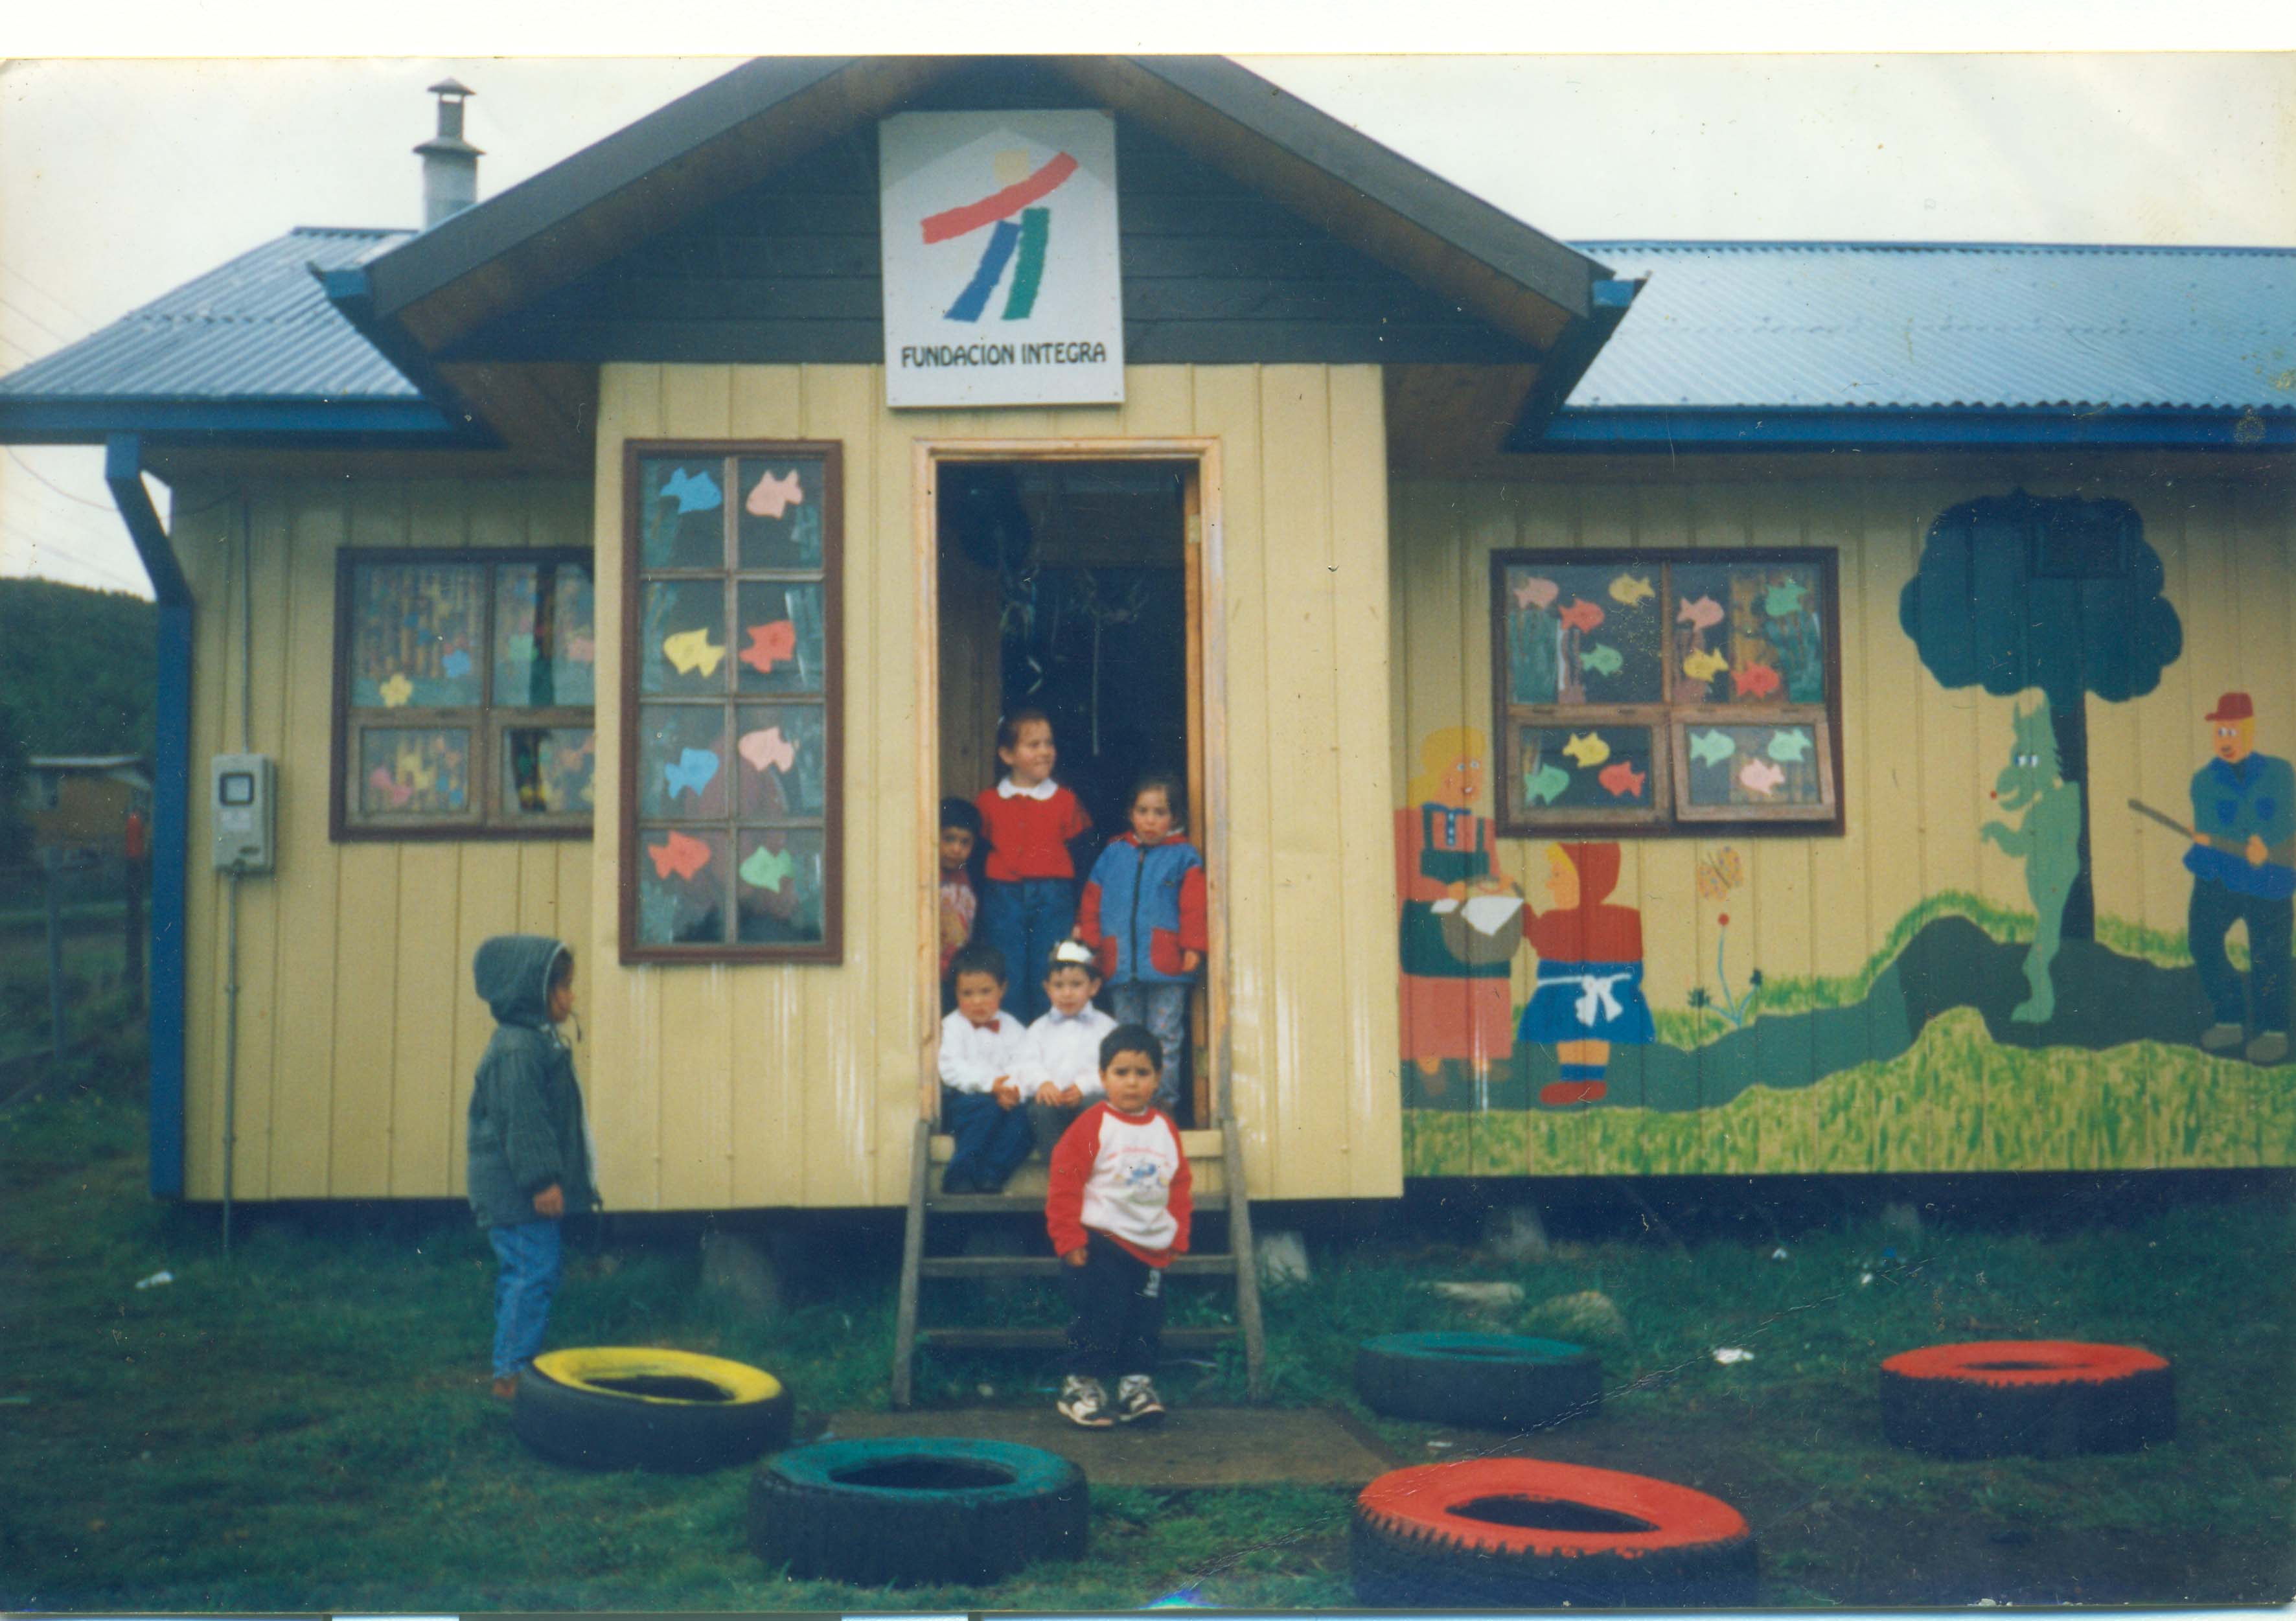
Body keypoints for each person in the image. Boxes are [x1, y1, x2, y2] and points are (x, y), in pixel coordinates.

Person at [466, 935, 597, 1400]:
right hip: (518, 1193)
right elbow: (524, 1122)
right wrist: (543, 1181)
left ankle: (513, 1362)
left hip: (521, 1191)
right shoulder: (518, 1050)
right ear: (531, 992)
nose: (571, 997)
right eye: (562, 987)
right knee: (531, 1273)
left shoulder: (533, 1041)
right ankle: (512, 1376)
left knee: (529, 1272)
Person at [1045, 1024, 1191, 1429]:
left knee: (1145, 1321)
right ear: (1104, 1076)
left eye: (1142, 1073)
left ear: (1158, 1078)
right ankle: (1081, 1385)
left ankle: (1135, 1388)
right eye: (1121, 1072)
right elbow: (1065, 1181)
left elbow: (1178, 1184)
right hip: (1100, 1244)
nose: (1131, 1082)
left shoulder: (1165, 1129)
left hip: (1151, 1248)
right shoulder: (1093, 1124)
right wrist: (1068, 1238)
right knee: (1098, 1317)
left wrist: (1178, 1234)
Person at [1394, 726, 1521, 1104]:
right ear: (1438, 770)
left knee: (1481, 990)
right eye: (1463, 764)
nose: (1474, 776)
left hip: (1473, 925)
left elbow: (1492, 873)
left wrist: (1498, 887)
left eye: (1478, 765)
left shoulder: (1483, 828)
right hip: (1427, 923)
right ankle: (1430, 1067)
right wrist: (1443, 891)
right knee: (1430, 995)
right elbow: (1403, 876)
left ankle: (1477, 1061)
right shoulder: (1410, 821)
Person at [1074, 773, 1205, 1112]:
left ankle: (1163, 1110)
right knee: (1126, 1042)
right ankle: (1127, 1111)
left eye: (1160, 812)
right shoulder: (1114, 853)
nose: (1151, 820)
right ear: (1131, 814)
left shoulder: (1185, 856)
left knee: (1164, 1041)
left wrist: (1193, 946)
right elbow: (1092, 899)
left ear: (1174, 817)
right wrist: (1091, 941)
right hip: (1119, 963)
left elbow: (1194, 906)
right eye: (1143, 811)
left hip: (1167, 966)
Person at [2185, 691, 2294, 1065]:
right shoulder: (2203, 780)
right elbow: (2211, 825)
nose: (2225, 739)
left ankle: (2273, 1031)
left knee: (2270, 956)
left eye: (2232, 730)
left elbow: (2286, 821)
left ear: (2249, 730)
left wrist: (2270, 848)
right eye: (2220, 732)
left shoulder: (2280, 773)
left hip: (2269, 879)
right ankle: (2229, 1018)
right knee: (2202, 941)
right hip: (2218, 875)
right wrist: (2213, 842)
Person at [974, 710, 1093, 1024]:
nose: (1044, 752)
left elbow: (1084, 863)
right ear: (1007, 754)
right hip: (1003, 897)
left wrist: (1081, 914)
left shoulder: (1066, 801)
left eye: (1049, 744)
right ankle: (1015, 1056)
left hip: (1054, 897)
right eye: (1033, 745)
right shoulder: (988, 802)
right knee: (1008, 973)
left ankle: (1049, 1051)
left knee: (1050, 972)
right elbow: (974, 860)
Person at [1518, 842, 1653, 1107]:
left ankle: (1589, 1081)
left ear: (1587, 881)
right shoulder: (1564, 919)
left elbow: (1632, 963)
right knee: (1575, 1037)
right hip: (1569, 991)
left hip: (1589, 993)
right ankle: (1576, 1082)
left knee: (1589, 1036)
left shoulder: (1562, 920)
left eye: (1557, 875)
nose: (1549, 884)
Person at [936, 942, 1034, 1194]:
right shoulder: (952, 1027)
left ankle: (992, 1174)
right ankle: (960, 1175)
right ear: (955, 993)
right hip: (966, 1100)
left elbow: (1025, 1063)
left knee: (1025, 1120)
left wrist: (1012, 1090)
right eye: (967, 994)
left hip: (1006, 1098)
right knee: (984, 1110)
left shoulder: (1013, 1027)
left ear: (1003, 989)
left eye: (985, 991)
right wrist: (992, 1086)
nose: (977, 1001)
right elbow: (951, 1068)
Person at [1018, 939, 1118, 1156]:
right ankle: (1061, 1176)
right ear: (1047, 989)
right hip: (1054, 1100)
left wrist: (1084, 1086)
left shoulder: (1107, 1028)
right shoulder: (1039, 1029)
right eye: (1059, 986)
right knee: (1041, 1111)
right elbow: (1027, 1062)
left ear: (1094, 987)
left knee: (1098, 1107)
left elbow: (1114, 1067)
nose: (1067, 993)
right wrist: (1043, 1082)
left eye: (1076, 985)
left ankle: (1094, 1173)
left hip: (1088, 1098)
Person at [937, 796, 984, 1011]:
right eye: (949, 839)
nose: (956, 849)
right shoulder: (925, 877)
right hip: (931, 972)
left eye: (964, 842)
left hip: (959, 973)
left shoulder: (970, 877)